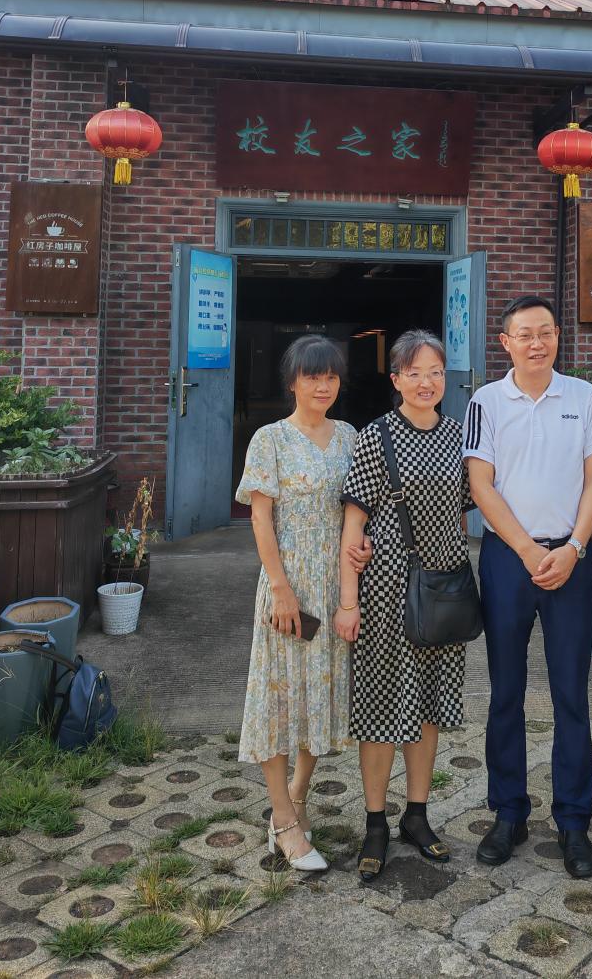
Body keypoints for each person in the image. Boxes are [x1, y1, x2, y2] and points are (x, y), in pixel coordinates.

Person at [464, 296, 592, 879]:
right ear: (506, 342)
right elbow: (480, 484)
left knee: (570, 693)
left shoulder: (584, 396)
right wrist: (528, 550)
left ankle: (574, 821)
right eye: (524, 334)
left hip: (572, 559)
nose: (537, 343)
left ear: (557, 337)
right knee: (506, 690)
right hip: (509, 559)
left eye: (546, 332)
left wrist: (573, 549)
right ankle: (509, 813)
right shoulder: (485, 402)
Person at [336, 329, 473, 883]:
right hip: (386, 588)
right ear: (395, 379)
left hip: (442, 587)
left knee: (429, 705)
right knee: (380, 706)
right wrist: (349, 602)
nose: (426, 382)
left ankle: (417, 815)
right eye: (414, 373)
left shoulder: (458, 435)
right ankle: (375, 823)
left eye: (435, 372)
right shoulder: (377, 436)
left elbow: (462, 510)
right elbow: (354, 523)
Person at [235, 334, 365, 872]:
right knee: (277, 699)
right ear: (292, 382)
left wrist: (363, 546)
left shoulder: (350, 437)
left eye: (331, 376)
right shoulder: (269, 439)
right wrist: (281, 588)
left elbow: (359, 511)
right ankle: (284, 820)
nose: (323, 386)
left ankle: (298, 796)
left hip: (334, 589)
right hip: (287, 588)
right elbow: (260, 517)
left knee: (321, 697)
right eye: (312, 377)